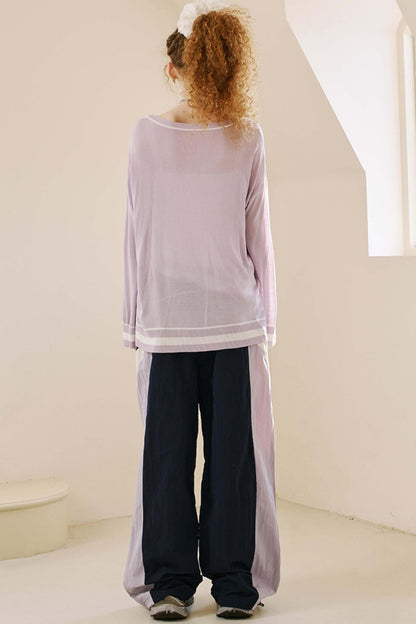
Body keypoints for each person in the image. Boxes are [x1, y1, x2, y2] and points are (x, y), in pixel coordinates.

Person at [121, 0, 281, 620]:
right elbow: (259, 238)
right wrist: (268, 320)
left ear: (174, 68)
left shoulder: (149, 134)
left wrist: (133, 320)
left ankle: (171, 586)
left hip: (170, 320)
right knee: (233, 461)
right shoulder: (247, 137)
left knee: (167, 459)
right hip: (230, 321)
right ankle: (235, 586)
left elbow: (135, 235)